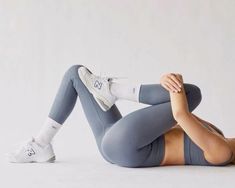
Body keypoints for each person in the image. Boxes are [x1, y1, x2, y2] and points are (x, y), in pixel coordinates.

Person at [6, 64, 235, 167]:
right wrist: (172, 85)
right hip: (118, 141)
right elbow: (177, 114)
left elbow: (180, 114)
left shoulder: (222, 152)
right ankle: (41, 144)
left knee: (191, 94)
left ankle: (116, 89)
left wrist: (173, 78)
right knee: (75, 74)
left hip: (130, 148)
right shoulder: (220, 135)